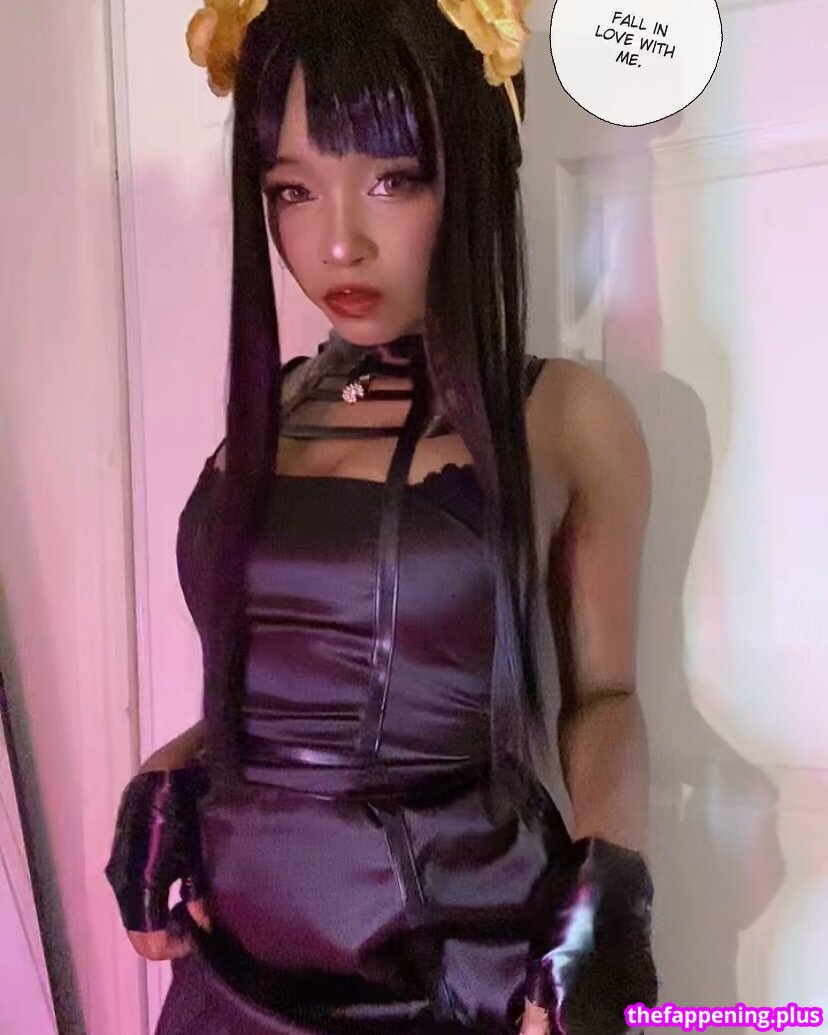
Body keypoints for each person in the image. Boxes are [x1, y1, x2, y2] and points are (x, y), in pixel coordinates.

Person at [104, 0, 659, 1031]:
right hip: (236, 966)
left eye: (392, 180)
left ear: (475, 170)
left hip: (456, 962)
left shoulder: (567, 416)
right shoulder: (270, 409)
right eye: (291, 189)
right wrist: (164, 770)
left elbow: (605, 698)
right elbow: (287, 688)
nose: (337, 243)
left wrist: (605, 901)